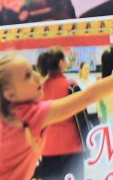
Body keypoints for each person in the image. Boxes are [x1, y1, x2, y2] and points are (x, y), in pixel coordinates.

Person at [34, 48, 85, 180]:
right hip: (72, 146)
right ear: (61, 63)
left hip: (46, 147)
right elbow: (81, 116)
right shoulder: (71, 85)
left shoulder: (38, 89)